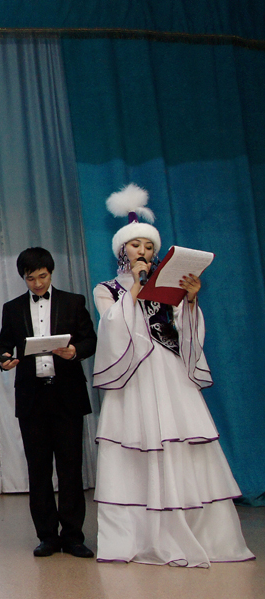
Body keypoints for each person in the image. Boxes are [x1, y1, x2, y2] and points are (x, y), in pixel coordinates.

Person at [92, 183, 254, 566]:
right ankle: (138, 536)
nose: (143, 252)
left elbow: (184, 333)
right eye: (136, 245)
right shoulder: (107, 289)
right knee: (138, 447)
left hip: (169, 376)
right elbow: (113, 329)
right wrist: (136, 287)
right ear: (122, 249)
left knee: (180, 444)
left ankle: (200, 533)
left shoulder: (168, 287)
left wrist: (190, 298)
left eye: (149, 247)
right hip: (133, 380)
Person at [0, 247, 97, 559]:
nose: (38, 283)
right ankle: (47, 537)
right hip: (32, 397)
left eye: (42, 276)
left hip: (67, 395)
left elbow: (90, 340)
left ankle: (74, 537)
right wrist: (4, 359)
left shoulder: (73, 302)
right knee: (38, 470)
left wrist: (74, 351)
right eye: (31, 278)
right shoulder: (13, 309)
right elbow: (3, 345)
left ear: (51, 273)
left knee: (70, 468)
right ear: (22, 277)